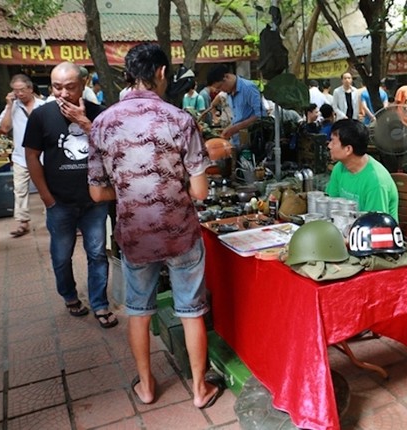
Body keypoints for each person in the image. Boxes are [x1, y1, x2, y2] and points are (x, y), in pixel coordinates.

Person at [88, 43, 224, 408]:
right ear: (161, 73)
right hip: (180, 233)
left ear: (129, 74)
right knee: (191, 309)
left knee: (138, 309)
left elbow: (98, 194)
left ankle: (146, 386)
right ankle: (200, 389)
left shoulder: (102, 123)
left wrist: (134, 192)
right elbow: (199, 191)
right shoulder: (179, 119)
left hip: (134, 235)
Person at [23, 61, 117, 329]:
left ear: (84, 84)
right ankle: (69, 295)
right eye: (56, 87)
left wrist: (84, 122)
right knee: (61, 255)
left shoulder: (100, 114)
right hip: (59, 202)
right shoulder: (41, 116)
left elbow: (113, 149)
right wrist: (46, 196)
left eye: (69, 87)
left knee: (97, 253)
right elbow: (31, 155)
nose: (62, 93)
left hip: (94, 201)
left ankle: (99, 303)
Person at [0, 74, 46, 237]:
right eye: (15, 90)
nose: (18, 94)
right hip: (20, 156)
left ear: (30, 89)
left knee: (48, 186)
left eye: (21, 90)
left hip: (43, 155)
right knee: (19, 189)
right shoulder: (13, 106)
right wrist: (9, 106)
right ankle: (23, 221)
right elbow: (4, 128)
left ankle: (52, 217)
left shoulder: (43, 105)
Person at [326, 119, 399, 219]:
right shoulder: (339, 168)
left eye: (333, 142)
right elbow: (330, 204)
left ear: (348, 149)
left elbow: (376, 225)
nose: (329, 146)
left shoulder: (376, 181)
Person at [206, 64, 263, 147]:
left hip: (252, 142)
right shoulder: (229, 93)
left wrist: (236, 128)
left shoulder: (248, 88)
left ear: (226, 77)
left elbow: (260, 116)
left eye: (220, 86)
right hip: (236, 141)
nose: (221, 90)